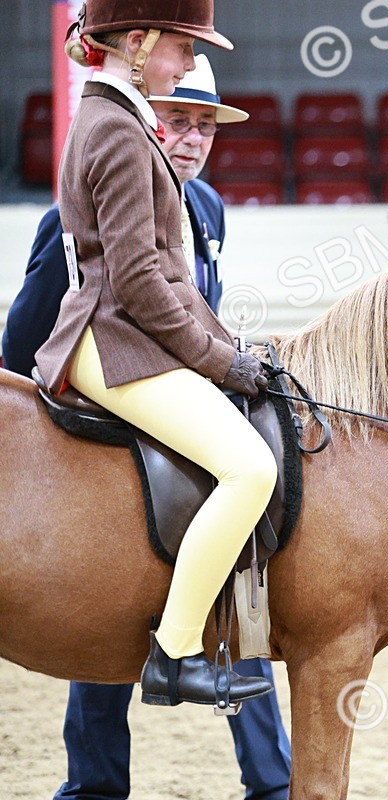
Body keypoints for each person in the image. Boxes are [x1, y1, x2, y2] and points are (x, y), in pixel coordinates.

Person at [3, 54, 292, 799]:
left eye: (206, 126)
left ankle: (271, 783)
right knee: (103, 604)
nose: (193, 139)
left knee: (234, 575)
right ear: (148, 123)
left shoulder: (211, 210)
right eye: (178, 121)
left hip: (174, 403)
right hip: (101, 424)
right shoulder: (71, 211)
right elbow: (33, 328)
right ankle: (95, 786)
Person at [35, 0, 278, 709]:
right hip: (113, 343)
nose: (189, 63)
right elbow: (140, 282)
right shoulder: (114, 128)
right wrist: (217, 361)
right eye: (180, 46)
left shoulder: (121, 116)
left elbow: (164, 274)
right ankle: (174, 653)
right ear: (137, 43)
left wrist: (233, 347)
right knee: (248, 468)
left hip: (126, 334)